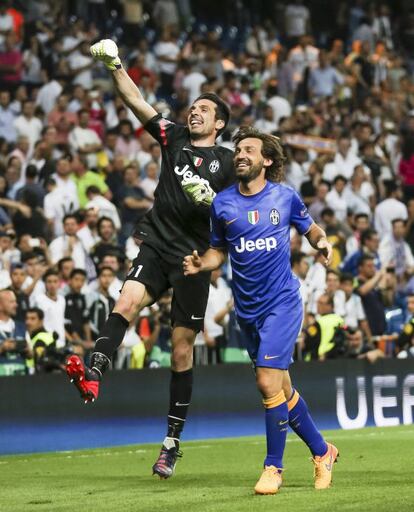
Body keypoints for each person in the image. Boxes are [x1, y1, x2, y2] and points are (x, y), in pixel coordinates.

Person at [66, 38, 234, 479]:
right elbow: (136, 101)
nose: (193, 112)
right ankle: (96, 370)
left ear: (218, 124)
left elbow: (237, 217)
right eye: (192, 107)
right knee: (125, 302)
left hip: (194, 260)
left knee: (181, 350)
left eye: (203, 110)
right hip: (157, 244)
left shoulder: (229, 163)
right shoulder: (174, 136)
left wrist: (213, 200)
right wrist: (115, 65)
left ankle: (171, 443)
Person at [183, 127, 338, 494]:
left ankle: (273, 467)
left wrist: (322, 243)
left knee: (267, 382)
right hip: (247, 310)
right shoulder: (222, 203)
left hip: (281, 303)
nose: (240, 154)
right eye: (238, 150)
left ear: (266, 160)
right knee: (281, 387)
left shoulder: (284, 197)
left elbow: (310, 228)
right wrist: (202, 264)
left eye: (249, 150)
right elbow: (219, 250)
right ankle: (323, 451)